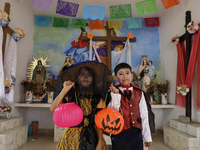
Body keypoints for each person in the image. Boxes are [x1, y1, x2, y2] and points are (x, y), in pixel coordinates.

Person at [50, 61, 112, 150]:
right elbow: (53, 108)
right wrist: (65, 90)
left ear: (93, 78)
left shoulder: (98, 98)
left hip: (93, 136)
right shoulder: (70, 96)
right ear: (77, 78)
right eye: (82, 74)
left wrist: (99, 143)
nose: (86, 77)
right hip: (72, 138)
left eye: (89, 74)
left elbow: (99, 123)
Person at [108, 63, 155, 150]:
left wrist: (147, 137)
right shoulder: (112, 92)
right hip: (119, 132)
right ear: (116, 78)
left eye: (127, 73)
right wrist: (115, 95)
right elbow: (112, 112)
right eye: (121, 74)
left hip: (136, 132)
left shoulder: (139, 93)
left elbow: (144, 115)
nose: (124, 76)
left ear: (132, 76)